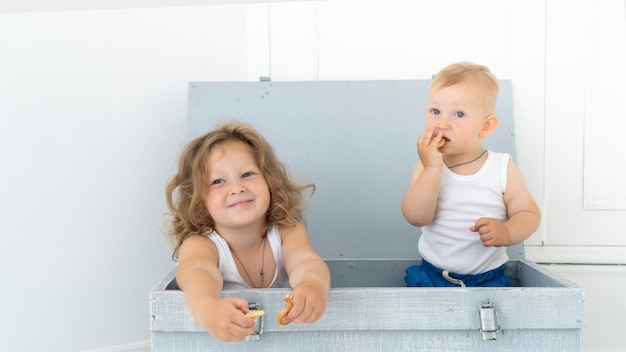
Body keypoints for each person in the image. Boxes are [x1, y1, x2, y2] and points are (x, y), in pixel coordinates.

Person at [165, 121, 330, 341]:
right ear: (199, 200)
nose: (237, 188)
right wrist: (207, 309)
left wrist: (312, 285)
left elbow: (306, 262)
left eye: (247, 175)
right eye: (218, 181)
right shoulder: (201, 244)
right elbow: (197, 272)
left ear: (270, 181)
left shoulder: (287, 232)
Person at [401, 62, 541, 287]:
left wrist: (506, 232)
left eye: (458, 114)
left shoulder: (501, 167)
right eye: (435, 111)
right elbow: (417, 217)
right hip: (432, 276)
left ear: (485, 127)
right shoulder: (425, 166)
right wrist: (432, 169)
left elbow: (529, 213)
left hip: (488, 278)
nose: (442, 123)